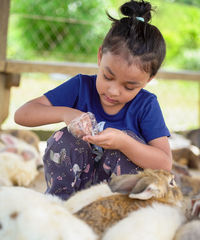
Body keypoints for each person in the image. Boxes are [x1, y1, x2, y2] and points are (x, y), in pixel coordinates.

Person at [14, 0, 172, 201]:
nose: (113, 91)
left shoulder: (146, 105)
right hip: (76, 191)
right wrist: (66, 113)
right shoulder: (81, 87)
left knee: (129, 142)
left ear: (149, 79)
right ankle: (60, 203)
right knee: (64, 139)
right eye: (107, 76)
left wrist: (124, 143)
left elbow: (165, 163)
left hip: (118, 198)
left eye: (129, 87)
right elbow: (22, 115)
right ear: (100, 56)